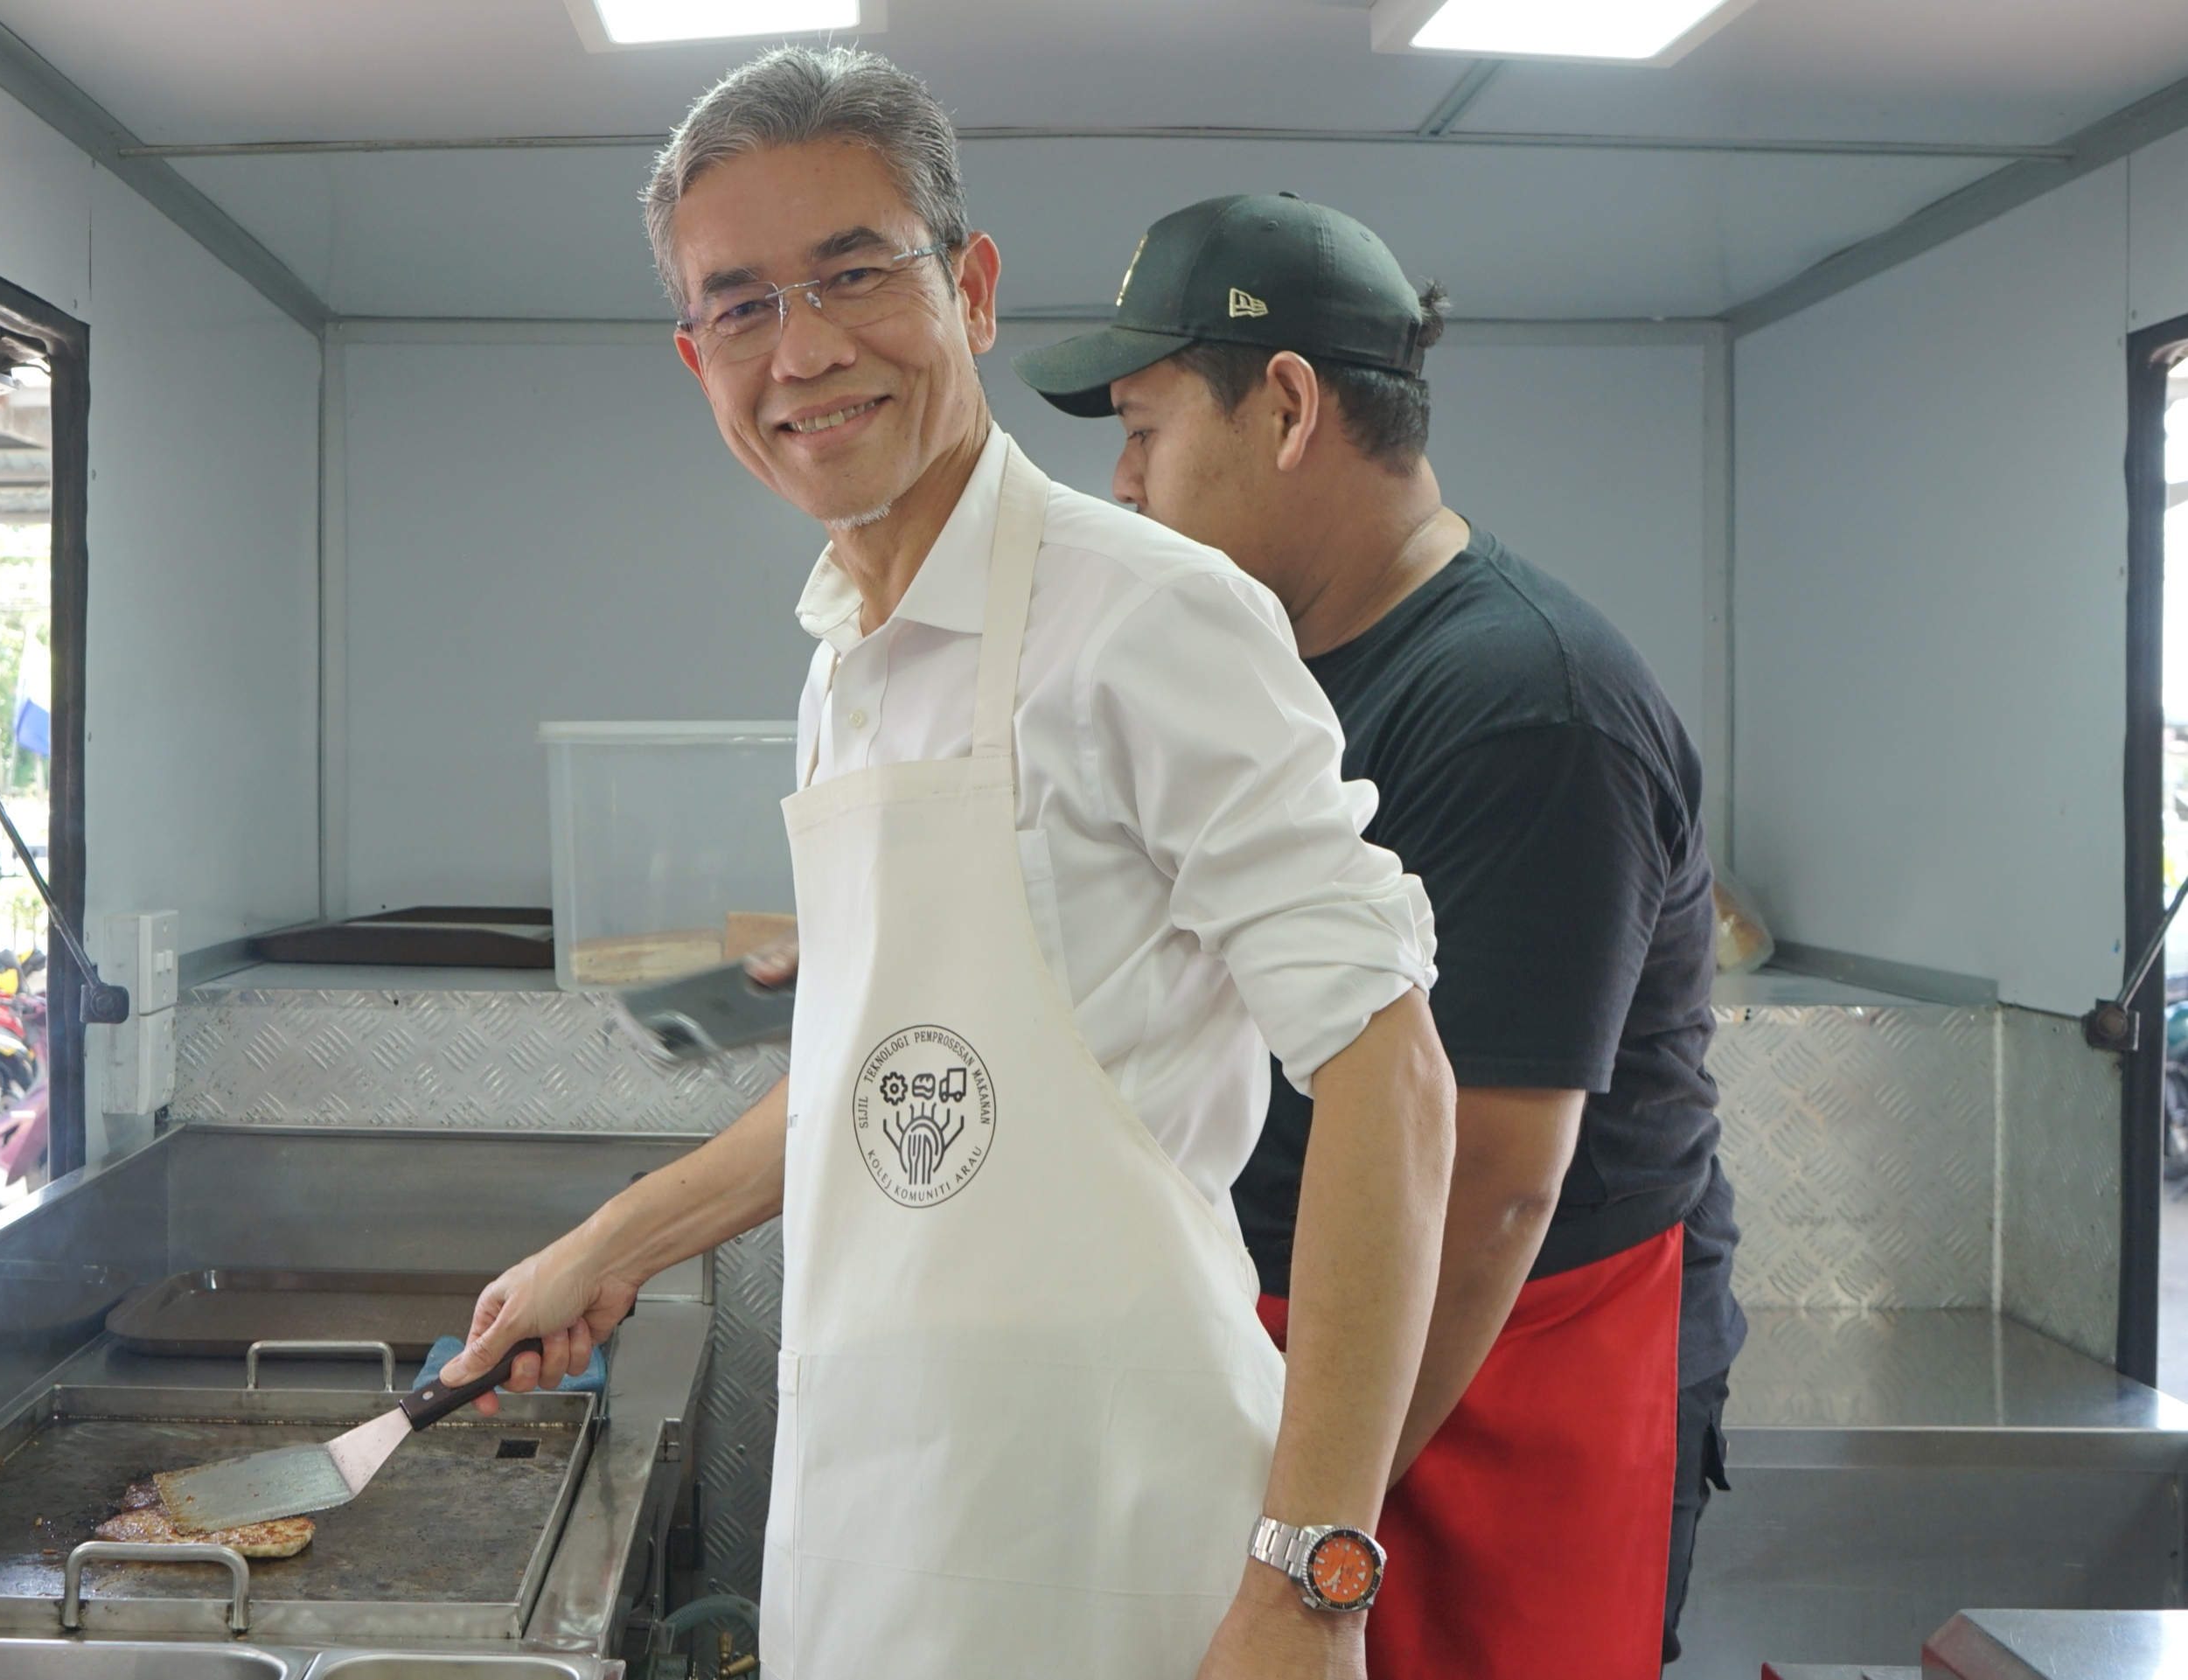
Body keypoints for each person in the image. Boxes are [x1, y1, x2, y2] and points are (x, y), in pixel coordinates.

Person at [440, 49, 1455, 1680]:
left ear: (970, 291)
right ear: (693, 355)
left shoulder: (1146, 615)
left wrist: (1307, 1578)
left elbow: (1389, 1077)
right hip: (879, 1525)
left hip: (1121, 1547)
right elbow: (875, 1069)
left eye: (852, 273)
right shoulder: (842, 656)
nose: (805, 350)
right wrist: (616, 1240)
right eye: (742, 306)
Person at [1014, 194, 1746, 1674]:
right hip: (1314, 1321)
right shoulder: (1272, 666)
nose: (1122, 480)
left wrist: (1301, 1550)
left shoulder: (1525, 704)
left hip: (1506, 1360)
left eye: (1146, 428)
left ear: (1283, 407)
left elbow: (1483, 1186)